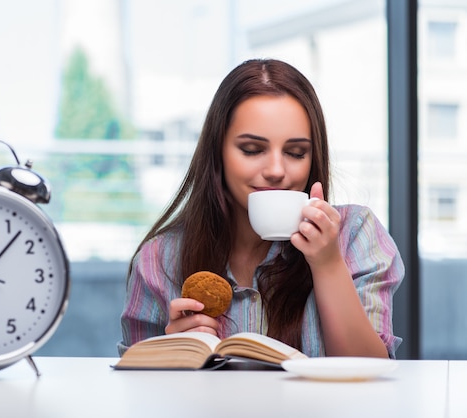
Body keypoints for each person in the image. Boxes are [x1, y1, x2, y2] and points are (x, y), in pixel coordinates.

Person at [118, 58, 404, 359]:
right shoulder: (158, 260)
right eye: (252, 150)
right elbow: (136, 390)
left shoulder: (356, 235)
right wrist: (174, 356)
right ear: (218, 154)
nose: (276, 170)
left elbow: (371, 374)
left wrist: (328, 264)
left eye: (295, 152)